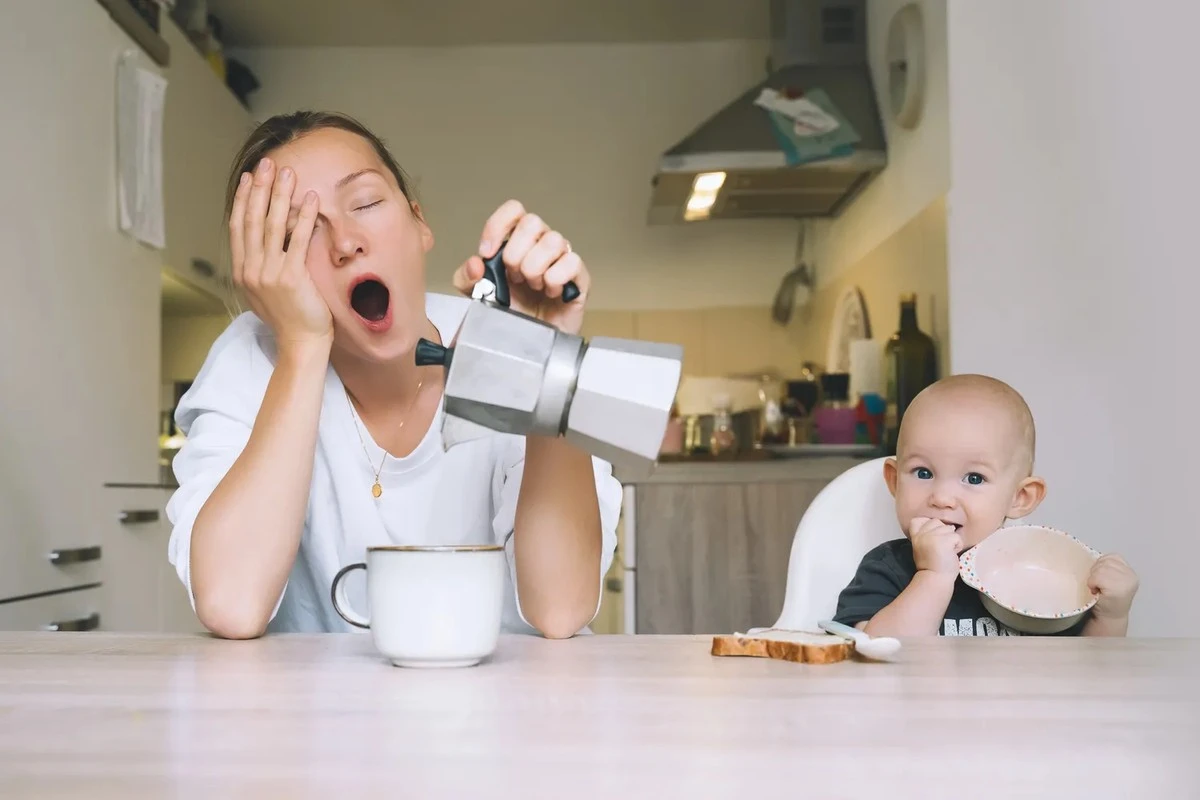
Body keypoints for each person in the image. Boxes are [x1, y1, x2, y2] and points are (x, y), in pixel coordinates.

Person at [165, 110, 622, 640]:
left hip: (507, 716)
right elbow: (232, 603)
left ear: (418, 224)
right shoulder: (250, 360)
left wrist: (548, 360)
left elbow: (561, 610)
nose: (345, 242)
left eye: (365, 203)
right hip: (320, 721)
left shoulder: (505, 345)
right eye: (296, 234)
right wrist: (303, 345)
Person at [832, 374, 1139, 637]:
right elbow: (870, 657)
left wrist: (1110, 617)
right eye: (923, 473)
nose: (942, 497)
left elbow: (1089, 670)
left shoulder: (1043, 574)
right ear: (895, 482)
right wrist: (933, 577)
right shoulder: (888, 568)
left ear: (1021, 498)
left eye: (974, 478)